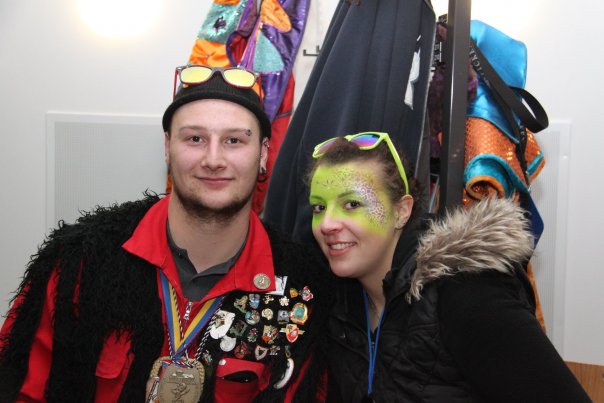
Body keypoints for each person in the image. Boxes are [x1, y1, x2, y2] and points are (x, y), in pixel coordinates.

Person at [0, 65, 330, 402]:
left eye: (234, 140)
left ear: (263, 154)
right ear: (167, 147)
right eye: (195, 138)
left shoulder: (301, 289)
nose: (213, 159)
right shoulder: (80, 261)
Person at [307, 132, 589, 402]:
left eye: (352, 204)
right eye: (319, 208)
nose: (327, 224)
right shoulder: (340, 304)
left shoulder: (467, 294)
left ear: (401, 211)